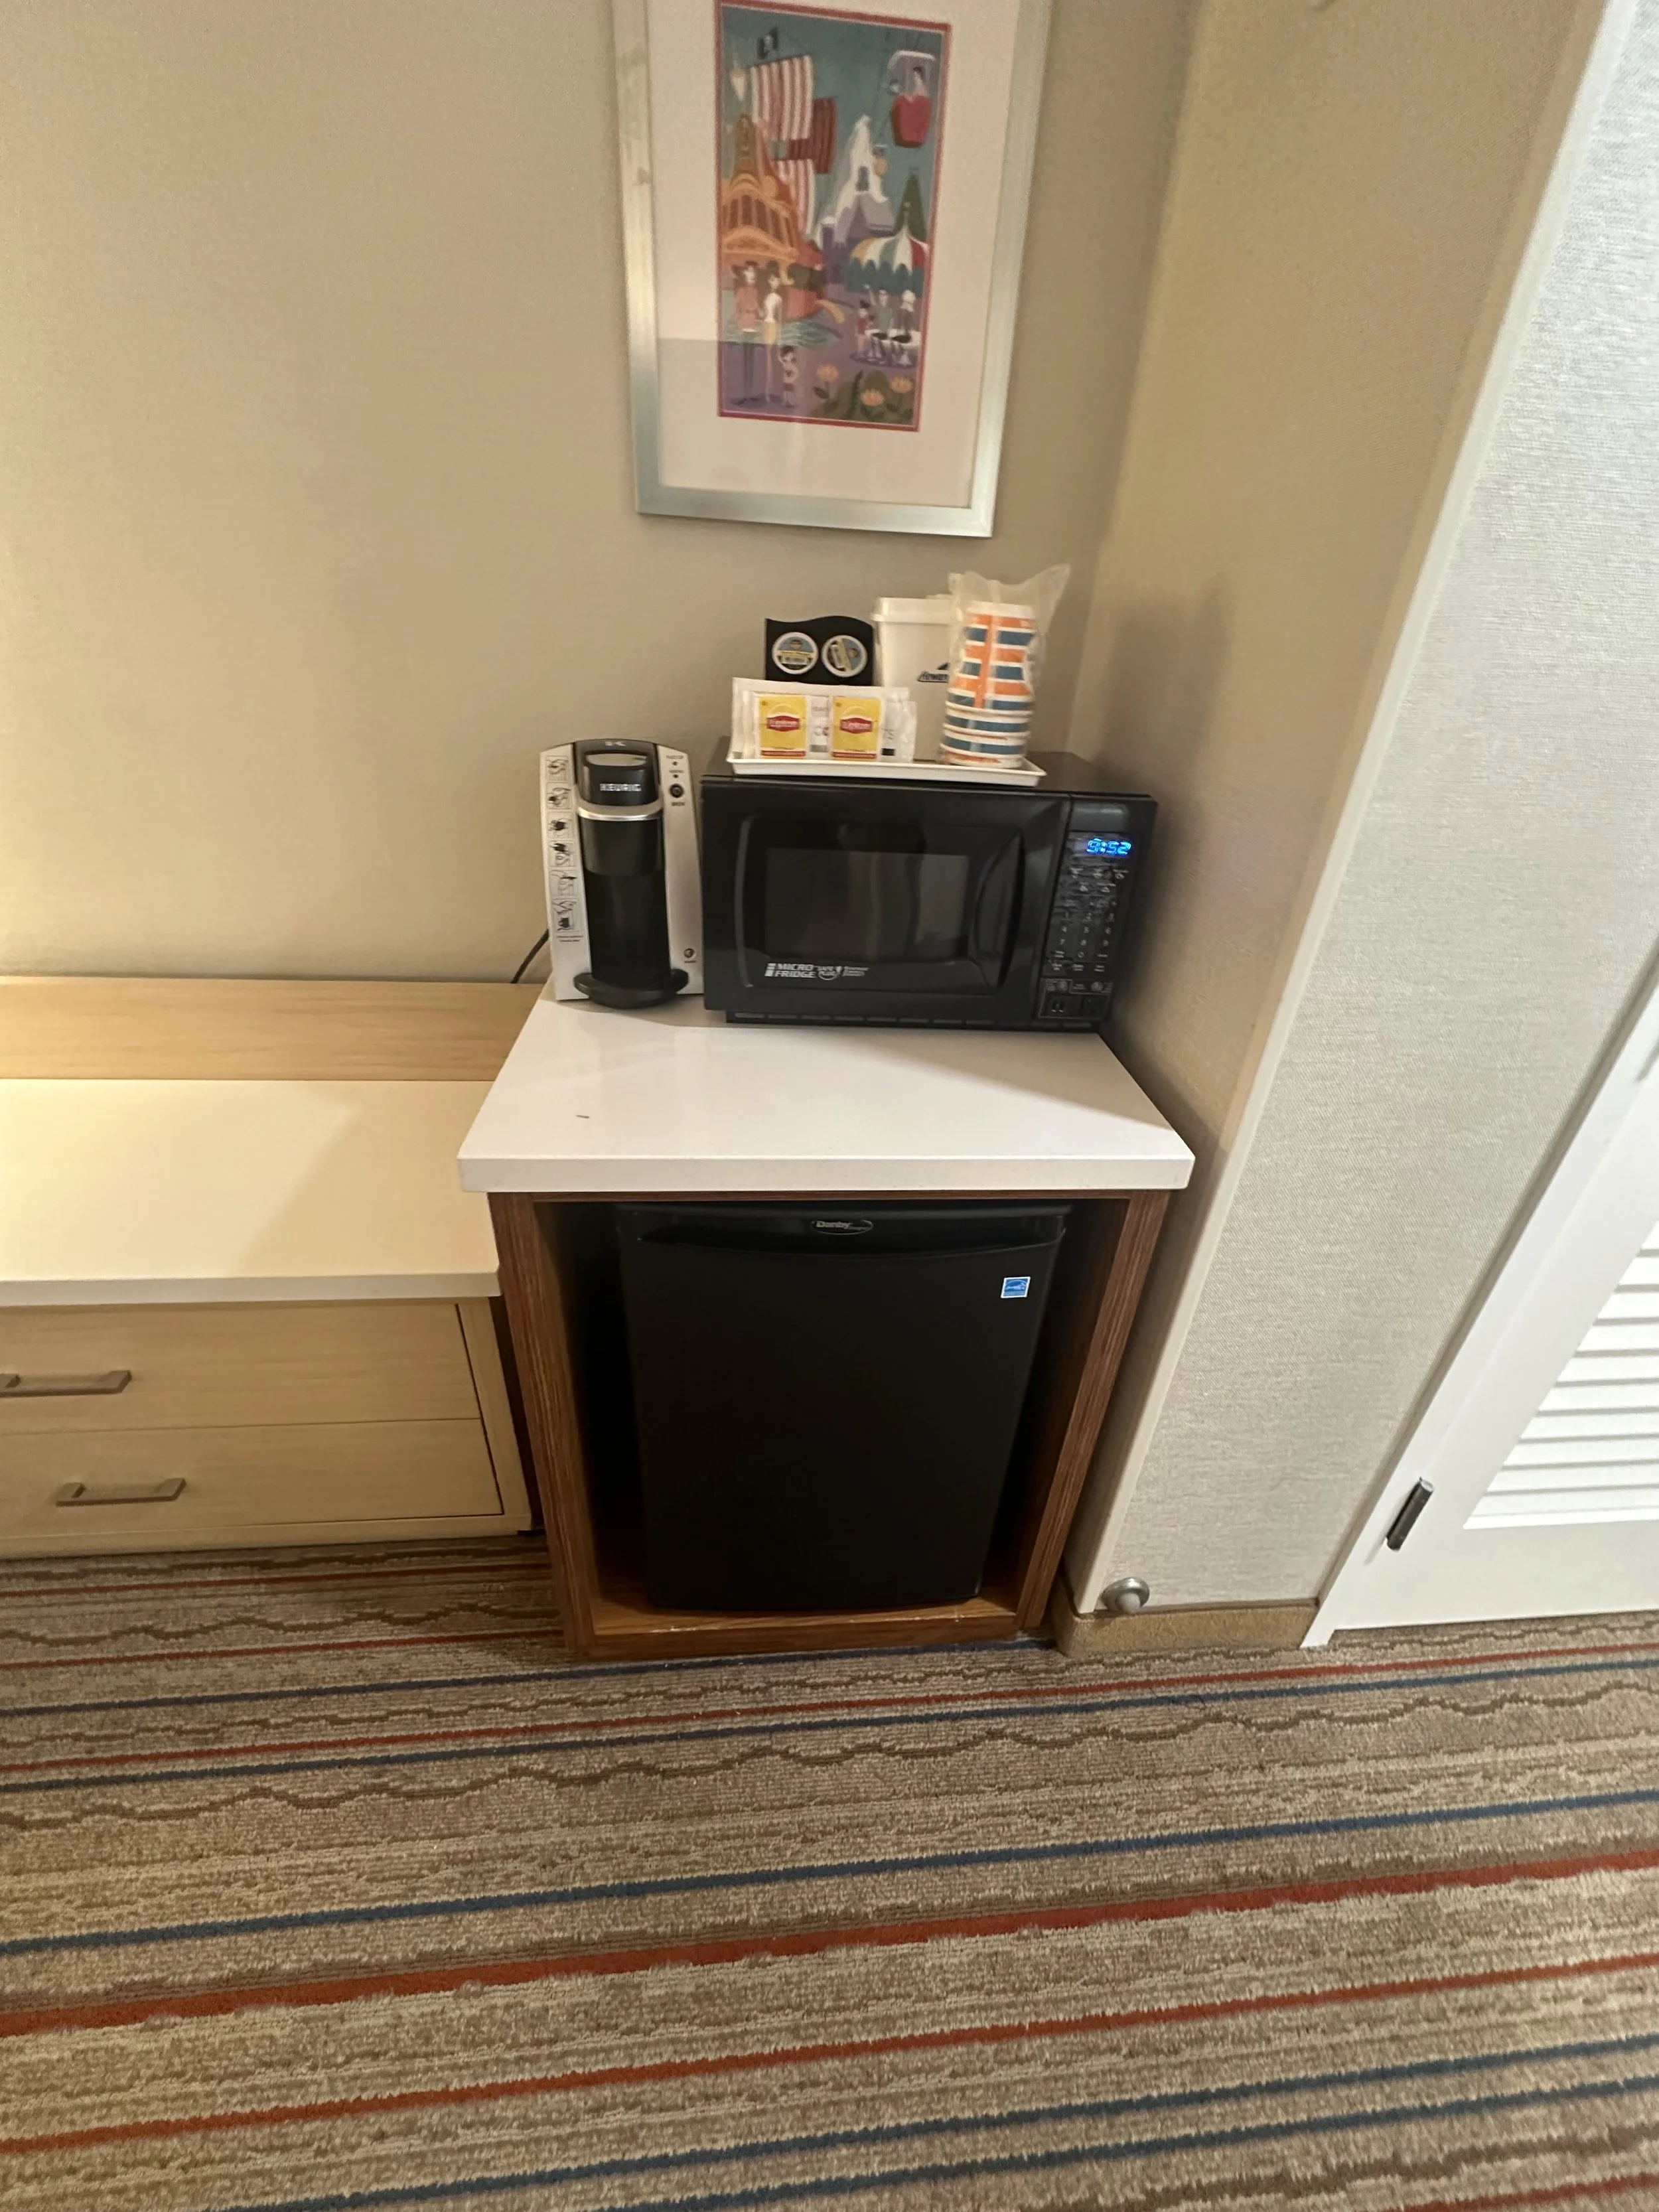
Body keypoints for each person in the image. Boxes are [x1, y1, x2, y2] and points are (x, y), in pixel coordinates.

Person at [731, 261, 761, 402]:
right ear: (745, 273)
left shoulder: (755, 291)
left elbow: (757, 308)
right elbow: (737, 309)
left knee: (752, 361)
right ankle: (744, 394)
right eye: (750, 271)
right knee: (744, 362)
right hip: (745, 326)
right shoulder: (741, 291)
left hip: (753, 326)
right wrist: (740, 324)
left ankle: (750, 393)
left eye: (754, 271)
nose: (753, 273)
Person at [760, 267, 784, 396]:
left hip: (772, 326)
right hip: (765, 325)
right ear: (770, 281)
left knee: (771, 357)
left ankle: (770, 390)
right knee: (767, 356)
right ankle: (767, 389)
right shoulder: (766, 297)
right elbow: (764, 314)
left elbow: (779, 319)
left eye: (778, 281)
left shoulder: (779, 299)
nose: (776, 282)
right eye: (774, 280)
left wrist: (780, 339)